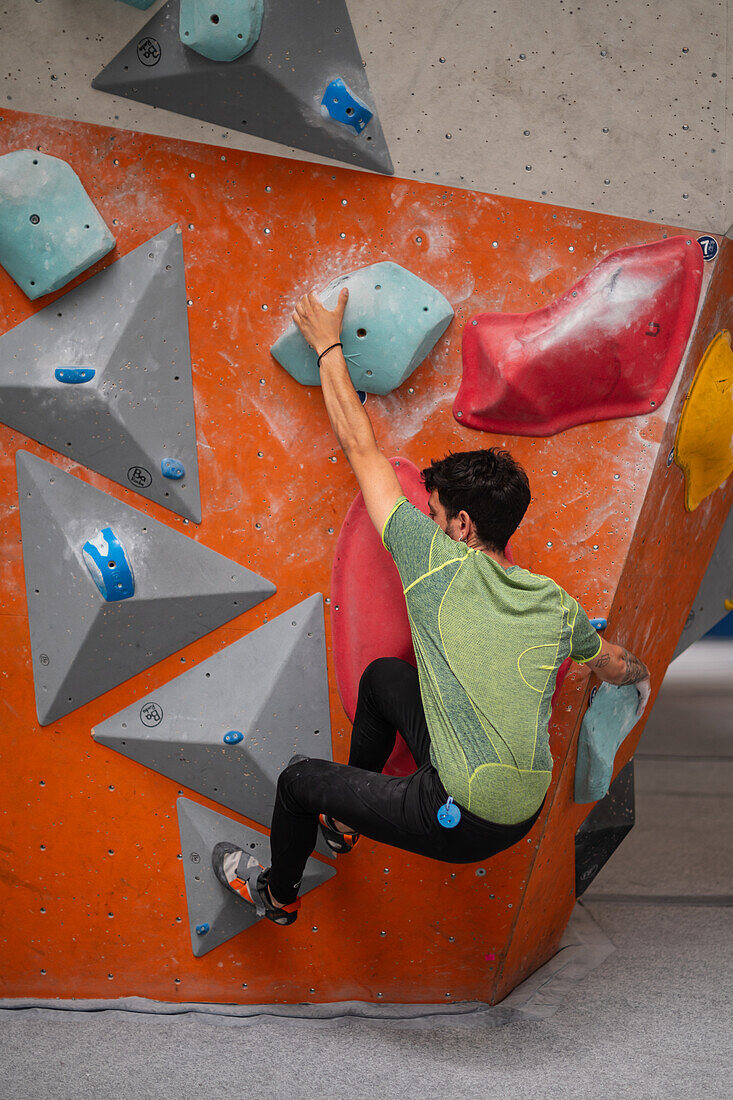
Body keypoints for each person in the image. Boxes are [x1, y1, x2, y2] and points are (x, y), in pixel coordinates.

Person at [213, 288, 651, 925]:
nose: (430, 522)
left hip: (461, 817)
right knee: (385, 681)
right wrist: (638, 675)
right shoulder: (554, 602)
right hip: (523, 807)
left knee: (298, 780)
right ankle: (343, 821)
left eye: (437, 515)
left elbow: (362, 451)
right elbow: (610, 662)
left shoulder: (436, 563)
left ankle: (276, 897)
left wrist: (329, 345)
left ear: (465, 526)